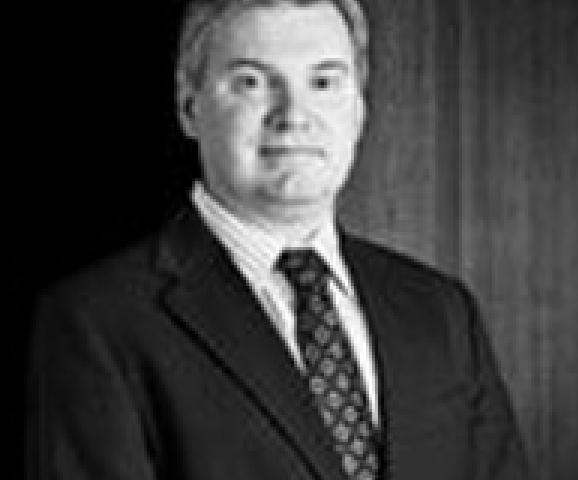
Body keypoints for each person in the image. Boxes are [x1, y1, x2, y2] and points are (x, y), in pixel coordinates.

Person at [26, 0, 531, 479]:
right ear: (188, 106)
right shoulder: (96, 322)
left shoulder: (440, 310)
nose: (293, 115)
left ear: (358, 109)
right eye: (251, 82)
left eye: (323, 81)